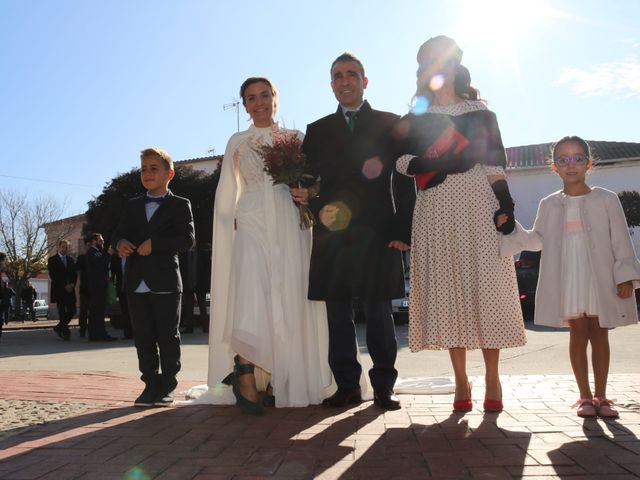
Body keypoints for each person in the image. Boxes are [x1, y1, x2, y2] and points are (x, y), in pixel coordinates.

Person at [394, 36, 526, 412]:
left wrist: (505, 204)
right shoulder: (415, 118)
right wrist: (429, 163)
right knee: (448, 289)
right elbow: (399, 163)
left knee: (488, 287)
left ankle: (494, 376)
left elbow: (493, 163)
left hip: (476, 204)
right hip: (434, 208)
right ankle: (461, 379)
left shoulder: (481, 114)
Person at [202, 77, 330, 415]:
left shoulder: (297, 139)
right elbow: (227, 191)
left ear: (276, 98)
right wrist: (227, 224)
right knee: (252, 293)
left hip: (289, 220)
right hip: (252, 221)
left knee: (289, 294)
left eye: (264, 95)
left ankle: (282, 378)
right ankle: (245, 372)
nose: (258, 103)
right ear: (244, 105)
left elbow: (316, 181)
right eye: (250, 98)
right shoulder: (238, 142)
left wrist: (309, 194)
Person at [301, 53, 416, 411]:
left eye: (352, 74)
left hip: (377, 231)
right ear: (331, 84)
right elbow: (307, 181)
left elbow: (404, 177)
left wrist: (402, 226)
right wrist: (305, 196)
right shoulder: (316, 130)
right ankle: (347, 386)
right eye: (337, 76)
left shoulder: (390, 123)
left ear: (365, 81)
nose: (345, 80)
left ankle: (384, 386)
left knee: (379, 313)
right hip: (331, 232)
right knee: (337, 315)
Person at [501, 136, 640, 418]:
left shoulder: (607, 199)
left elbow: (621, 241)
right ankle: (585, 397)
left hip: (599, 273)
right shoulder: (549, 204)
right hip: (569, 275)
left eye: (578, 158)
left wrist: (625, 276)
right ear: (554, 167)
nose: (571, 165)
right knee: (578, 332)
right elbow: (538, 239)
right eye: (563, 160)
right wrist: (511, 227)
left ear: (589, 163)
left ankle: (602, 396)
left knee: (600, 332)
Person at [113, 147, 195, 407]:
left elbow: (187, 240)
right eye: (143, 169)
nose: (147, 173)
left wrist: (155, 243)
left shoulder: (181, 205)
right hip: (136, 282)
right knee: (143, 337)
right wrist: (120, 242)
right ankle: (149, 384)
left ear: (169, 173)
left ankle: (167, 386)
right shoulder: (132, 205)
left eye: (153, 168)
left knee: (167, 337)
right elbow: (118, 233)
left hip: (166, 283)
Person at [85, 233, 116, 342]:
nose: (102, 242)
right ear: (94, 241)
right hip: (96, 286)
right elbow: (103, 264)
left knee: (97, 311)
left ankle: (95, 334)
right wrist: (108, 254)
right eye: (100, 240)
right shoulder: (92, 252)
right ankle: (99, 334)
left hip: (99, 286)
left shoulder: (97, 252)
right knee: (97, 311)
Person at [47, 239, 77, 341]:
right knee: (62, 312)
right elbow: (53, 275)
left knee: (72, 310)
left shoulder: (70, 260)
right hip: (59, 290)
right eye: (63, 247)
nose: (65, 249)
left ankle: (58, 327)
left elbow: (74, 274)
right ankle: (65, 332)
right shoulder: (52, 260)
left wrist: (72, 284)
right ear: (59, 247)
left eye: (66, 247)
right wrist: (64, 285)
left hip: (70, 290)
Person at [76, 239, 91, 337]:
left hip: (95, 288)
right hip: (85, 287)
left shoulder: (98, 256)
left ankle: (92, 328)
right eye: (88, 245)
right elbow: (77, 268)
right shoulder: (81, 258)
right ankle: (82, 329)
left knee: (93, 309)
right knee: (84, 310)